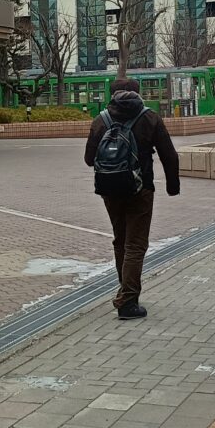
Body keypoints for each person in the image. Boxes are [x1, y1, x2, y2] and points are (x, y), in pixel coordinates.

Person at [84, 79, 180, 320]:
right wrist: (172, 186)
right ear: (138, 94)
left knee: (121, 241)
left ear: (112, 94)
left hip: (109, 189)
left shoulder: (101, 120)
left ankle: (125, 290)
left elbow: (88, 159)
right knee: (135, 245)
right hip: (140, 189)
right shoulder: (150, 118)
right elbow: (169, 155)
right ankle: (128, 301)